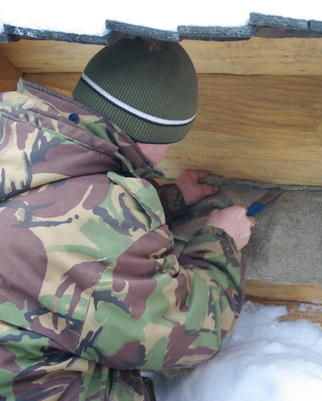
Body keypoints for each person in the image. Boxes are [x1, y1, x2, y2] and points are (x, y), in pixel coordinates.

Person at [0, 37, 255, 400]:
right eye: (171, 140)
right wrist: (222, 239)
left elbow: (49, 208)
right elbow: (186, 335)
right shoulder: (103, 216)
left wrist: (172, 200)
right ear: (155, 134)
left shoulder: (17, 133)